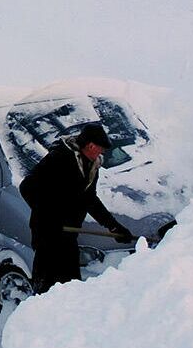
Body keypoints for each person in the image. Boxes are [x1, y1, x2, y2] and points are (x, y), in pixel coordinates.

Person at [19, 122, 135, 294]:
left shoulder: (91, 165)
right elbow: (27, 188)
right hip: (47, 233)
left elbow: (89, 199)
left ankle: (68, 318)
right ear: (90, 145)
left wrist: (113, 226)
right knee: (46, 287)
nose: (102, 153)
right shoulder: (59, 158)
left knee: (71, 286)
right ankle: (41, 316)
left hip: (68, 234)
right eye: (100, 149)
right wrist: (49, 218)